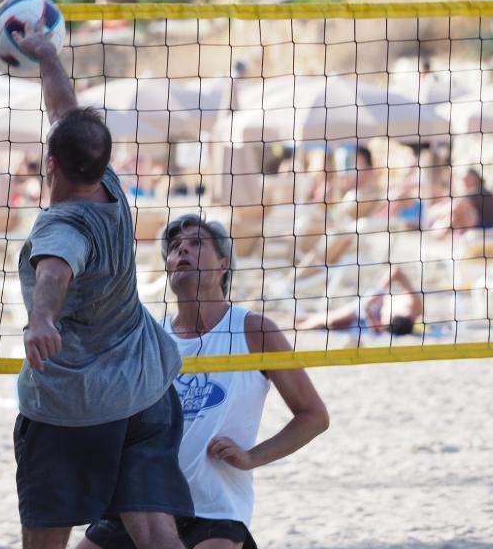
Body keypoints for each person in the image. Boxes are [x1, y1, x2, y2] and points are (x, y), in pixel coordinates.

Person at [14, 26, 190, 549]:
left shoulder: (61, 225)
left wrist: (42, 320)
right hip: (146, 386)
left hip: (77, 403)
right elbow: (67, 112)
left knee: (45, 535)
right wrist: (47, 56)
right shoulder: (111, 186)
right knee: (156, 533)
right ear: (101, 159)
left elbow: (55, 271)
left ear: (50, 164)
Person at [80, 215, 329, 549]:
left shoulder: (254, 331)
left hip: (215, 507)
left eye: (196, 244)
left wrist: (252, 457)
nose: (182, 251)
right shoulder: (152, 335)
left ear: (223, 264)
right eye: (175, 248)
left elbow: (313, 416)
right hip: (145, 500)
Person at [296, 266, 424, 335]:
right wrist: (377, 294)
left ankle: (303, 321)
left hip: (368, 315)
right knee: (331, 321)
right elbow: (396, 271)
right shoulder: (415, 303)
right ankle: (297, 327)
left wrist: (371, 317)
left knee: (333, 325)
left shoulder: (397, 325)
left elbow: (378, 328)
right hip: (371, 302)